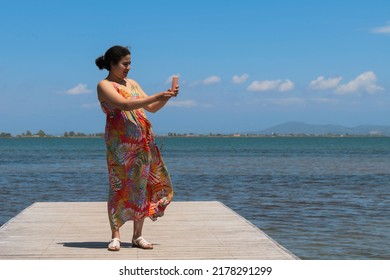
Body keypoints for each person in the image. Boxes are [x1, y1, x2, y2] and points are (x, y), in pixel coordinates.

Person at [95, 45, 176, 251]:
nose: (129, 67)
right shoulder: (104, 85)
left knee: (141, 187)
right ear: (112, 64)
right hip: (120, 145)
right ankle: (115, 235)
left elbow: (151, 108)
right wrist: (156, 96)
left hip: (142, 142)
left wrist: (165, 97)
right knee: (118, 186)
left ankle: (137, 236)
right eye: (125, 63)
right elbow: (124, 105)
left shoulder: (132, 84)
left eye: (130, 63)